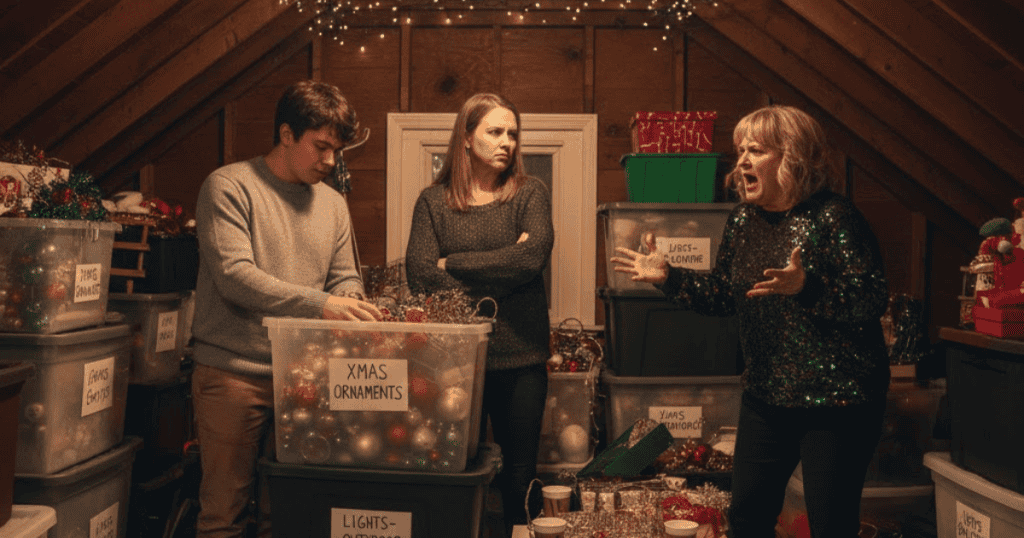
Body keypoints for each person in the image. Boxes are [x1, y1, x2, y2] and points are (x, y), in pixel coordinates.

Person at [613, 105, 890, 538]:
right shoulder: (742, 220)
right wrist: (669, 277)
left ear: (792, 157)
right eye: (740, 149)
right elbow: (725, 294)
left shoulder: (834, 217)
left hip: (837, 402)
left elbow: (871, 299)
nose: (741, 161)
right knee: (747, 518)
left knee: (830, 525)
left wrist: (807, 287)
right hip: (767, 394)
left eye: (755, 150)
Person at [191, 80, 382, 538]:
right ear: (286, 134)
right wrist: (324, 304)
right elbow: (236, 277)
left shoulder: (334, 204)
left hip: (304, 376)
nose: (330, 161)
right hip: (233, 373)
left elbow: (343, 277)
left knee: (293, 512)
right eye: (321, 147)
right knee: (224, 515)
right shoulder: (229, 186)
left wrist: (351, 300)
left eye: (337, 150)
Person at [404, 93, 554, 534]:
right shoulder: (433, 203)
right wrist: (505, 264)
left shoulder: (529, 193)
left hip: (522, 359)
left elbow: (531, 261)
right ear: (466, 139)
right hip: (453, 364)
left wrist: (455, 263)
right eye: (494, 131)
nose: (507, 141)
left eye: (512, 132)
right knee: (455, 471)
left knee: (520, 478)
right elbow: (419, 275)